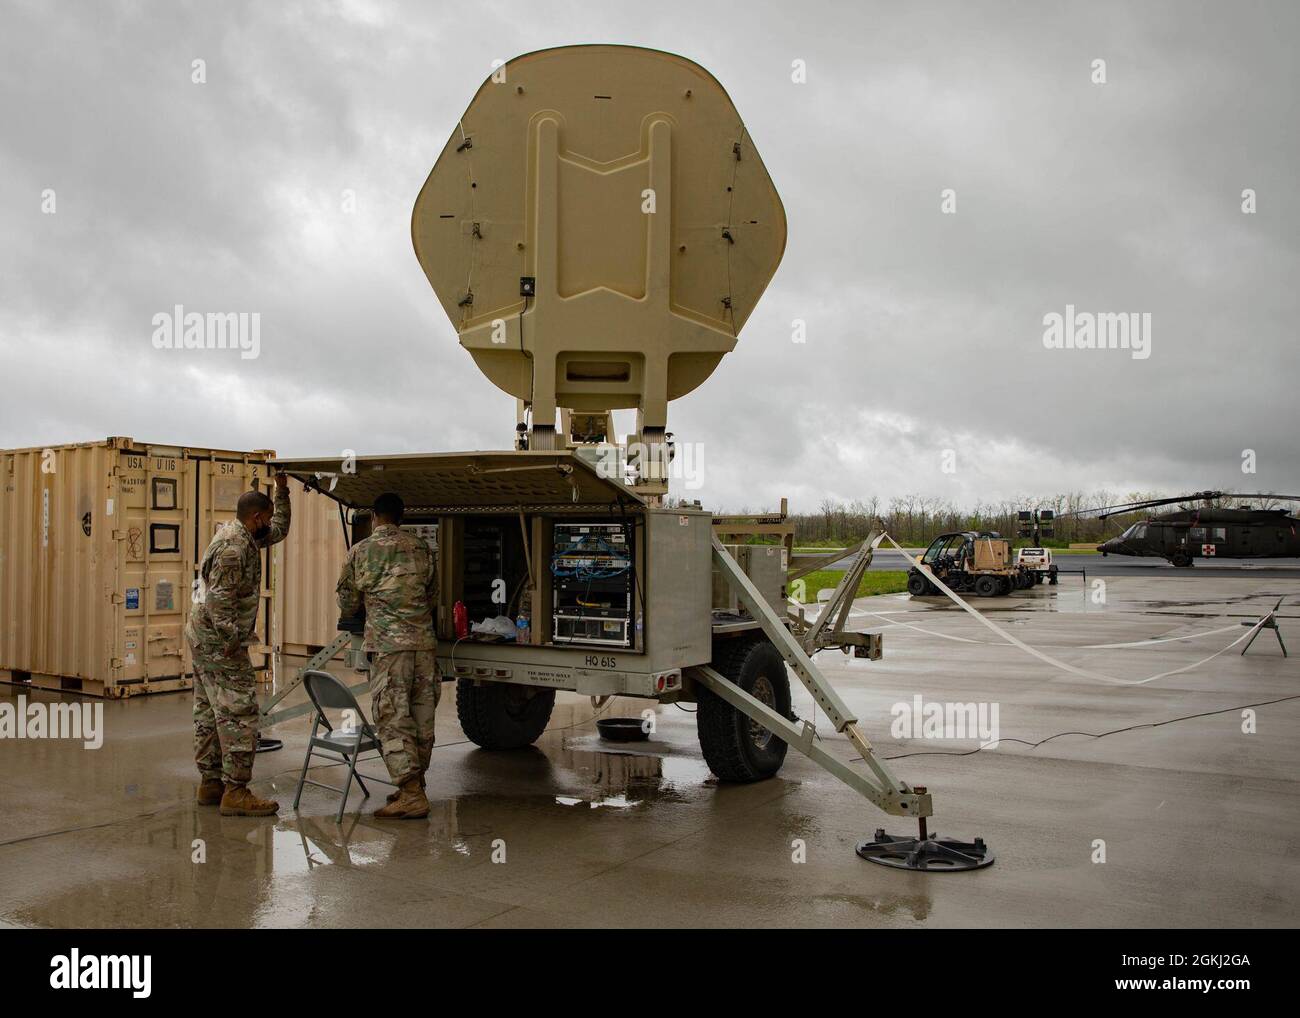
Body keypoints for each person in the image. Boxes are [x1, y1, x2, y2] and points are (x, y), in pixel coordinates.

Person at [186, 472, 291, 816]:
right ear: (256, 517)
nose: (269, 525)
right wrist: (234, 643)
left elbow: (279, 530)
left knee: (208, 711)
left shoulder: (243, 534)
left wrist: (283, 491)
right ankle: (236, 791)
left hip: (204, 639)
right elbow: (219, 601)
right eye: (267, 516)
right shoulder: (234, 547)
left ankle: (211, 783)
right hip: (219, 642)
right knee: (240, 712)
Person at [336, 492, 438, 819]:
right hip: (423, 644)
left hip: (389, 647)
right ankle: (415, 785)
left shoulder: (361, 552)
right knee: (422, 717)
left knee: (393, 717)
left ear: (375, 517)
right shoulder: (421, 548)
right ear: (402, 517)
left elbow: (347, 602)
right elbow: (432, 593)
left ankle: (410, 794)